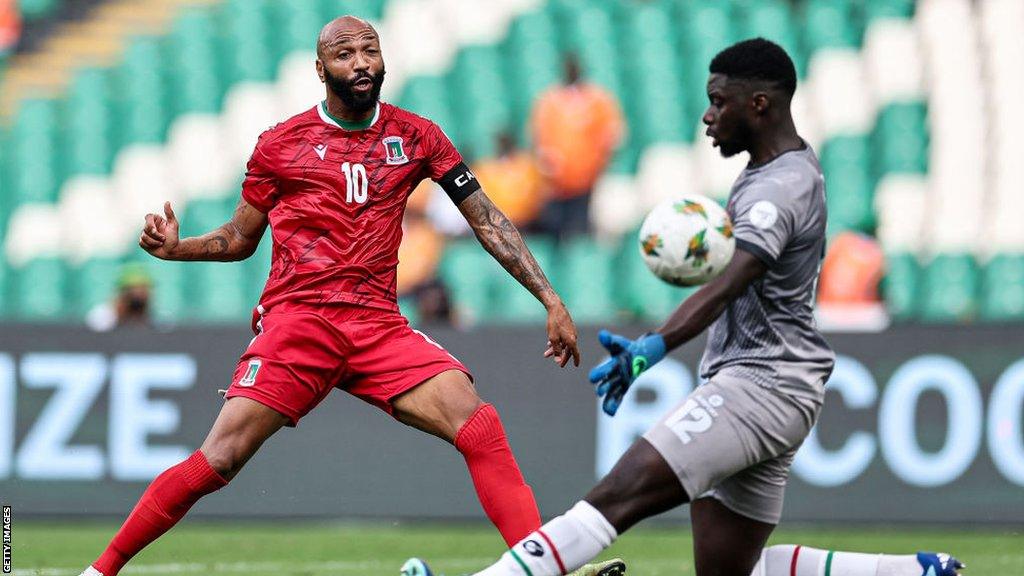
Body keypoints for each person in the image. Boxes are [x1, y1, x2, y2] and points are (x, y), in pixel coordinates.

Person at [421, 38, 963, 576]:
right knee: (733, 570)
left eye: (719, 101)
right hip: (776, 387)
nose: (707, 116)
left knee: (616, 497)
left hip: (760, 386)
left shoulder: (782, 188)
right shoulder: (778, 171)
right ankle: (912, 571)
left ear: (759, 105)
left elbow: (732, 279)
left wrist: (650, 348)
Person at [79, 15, 593, 576]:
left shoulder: (417, 136)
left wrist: (552, 300)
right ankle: (99, 571)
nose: (362, 63)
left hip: (378, 326)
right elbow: (239, 239)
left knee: (479, 424)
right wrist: (178, 250)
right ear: (320, 68)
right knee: (220, 457)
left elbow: (488, 220)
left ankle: (541, 568)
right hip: (300, 322)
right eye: (345, 54)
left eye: (370, 51)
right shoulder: (280, 145)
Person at [530, 53, 623, 241]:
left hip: (590, 180)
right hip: (557, 184)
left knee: (582, 232)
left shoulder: (597, 99)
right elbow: (540, 136)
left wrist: (599, 164)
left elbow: (611, 134)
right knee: (557, 231)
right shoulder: (549, 101)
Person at [472, 131, 545, 230]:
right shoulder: (486, 169)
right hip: (498, 224)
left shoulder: (526, 164)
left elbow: (537, 195)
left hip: (528, 222)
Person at [85, 262, 154, 331]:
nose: (139, 299)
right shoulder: (100, 317)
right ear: (122, 294)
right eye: (134, 293)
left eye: (143, 292)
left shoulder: (148, 319)